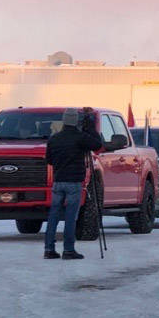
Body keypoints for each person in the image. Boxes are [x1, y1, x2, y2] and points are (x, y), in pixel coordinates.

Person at [44, 108, 103, 260]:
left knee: (53, 216)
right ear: (76, 121)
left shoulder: (54, 139)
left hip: (58, 182)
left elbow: (49, 160)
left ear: (64, 120)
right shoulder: (80, 137)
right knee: (71, 217)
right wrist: (90, 126)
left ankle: (49, 249)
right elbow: (97, 144)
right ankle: (68, 250)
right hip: (74, 182)